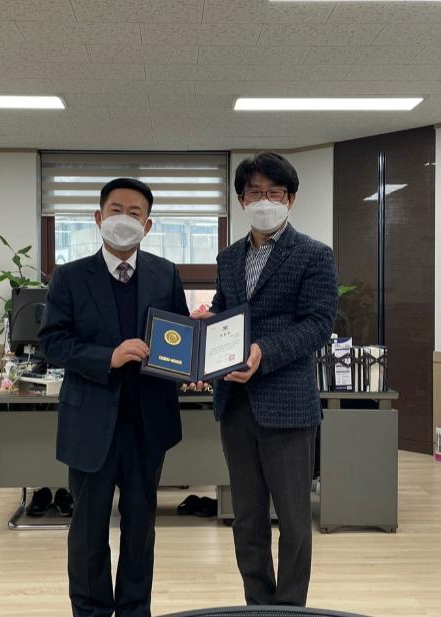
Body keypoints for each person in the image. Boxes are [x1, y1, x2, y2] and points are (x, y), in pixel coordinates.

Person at [38, 178, 189, 617]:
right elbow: (53, 343)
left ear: (148, 224)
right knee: (88, 532)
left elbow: (180, 338)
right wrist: (109, 356)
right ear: (98, 217)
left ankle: (135, 609)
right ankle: (89, 610)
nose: (125, 219)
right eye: (116, 210)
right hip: (90, 425)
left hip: (148, 424)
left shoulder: (165, 273)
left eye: (135, 212)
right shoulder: (69, 276)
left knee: (140, 531)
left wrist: (196, 360)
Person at [193, 152, 338, 607]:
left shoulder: (314, 254)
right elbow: (226, 310)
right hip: (235, 404)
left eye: (274, 192)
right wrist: (208, 322)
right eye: (255, 192)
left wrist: (263, 352)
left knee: (294, 521)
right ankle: (257, 605)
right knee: (247, 518)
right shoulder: (228, 257)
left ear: (290, 199)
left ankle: (289, 608)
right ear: (241, 200)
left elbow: (318, 324)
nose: (264, 201)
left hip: (288, 404)